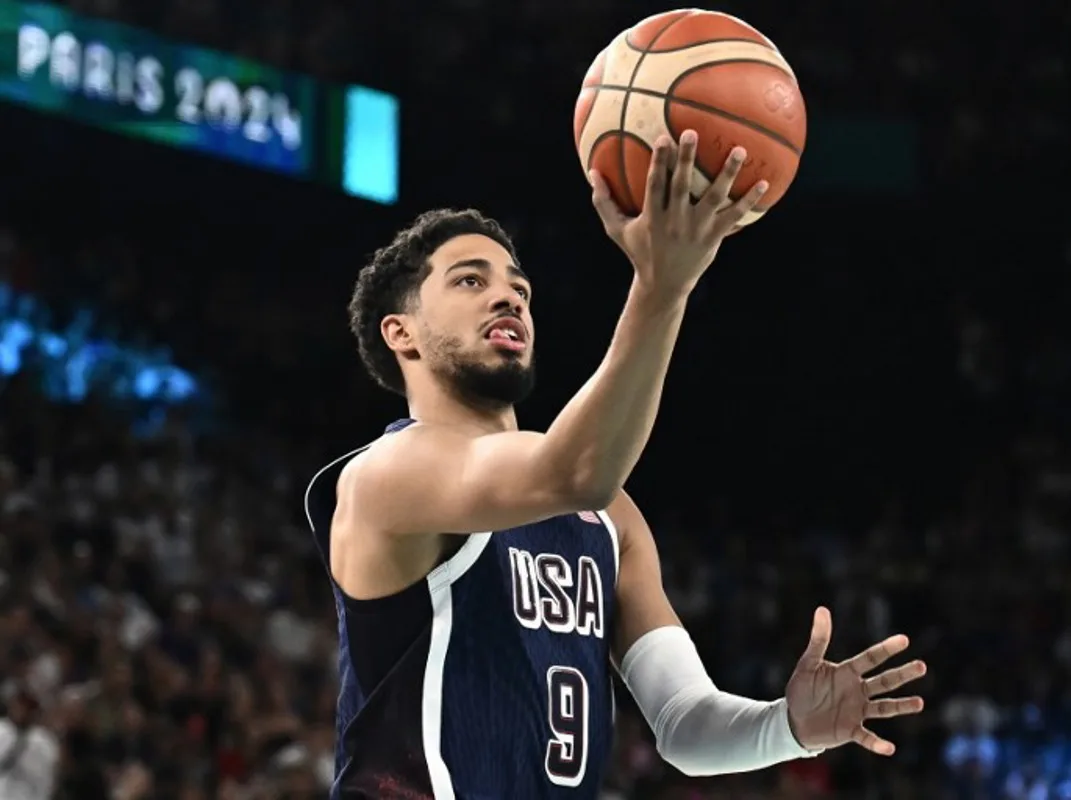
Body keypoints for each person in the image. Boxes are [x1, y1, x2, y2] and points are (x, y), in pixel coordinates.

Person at [305, 130, 927, 799]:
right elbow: (573, 471)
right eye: (469, 281)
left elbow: (685, 723)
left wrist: (786, 727)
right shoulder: (388, 476)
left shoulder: (607, 518)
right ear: (400, 333)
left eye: (520, 287)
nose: (509, 297)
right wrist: (662, 287)